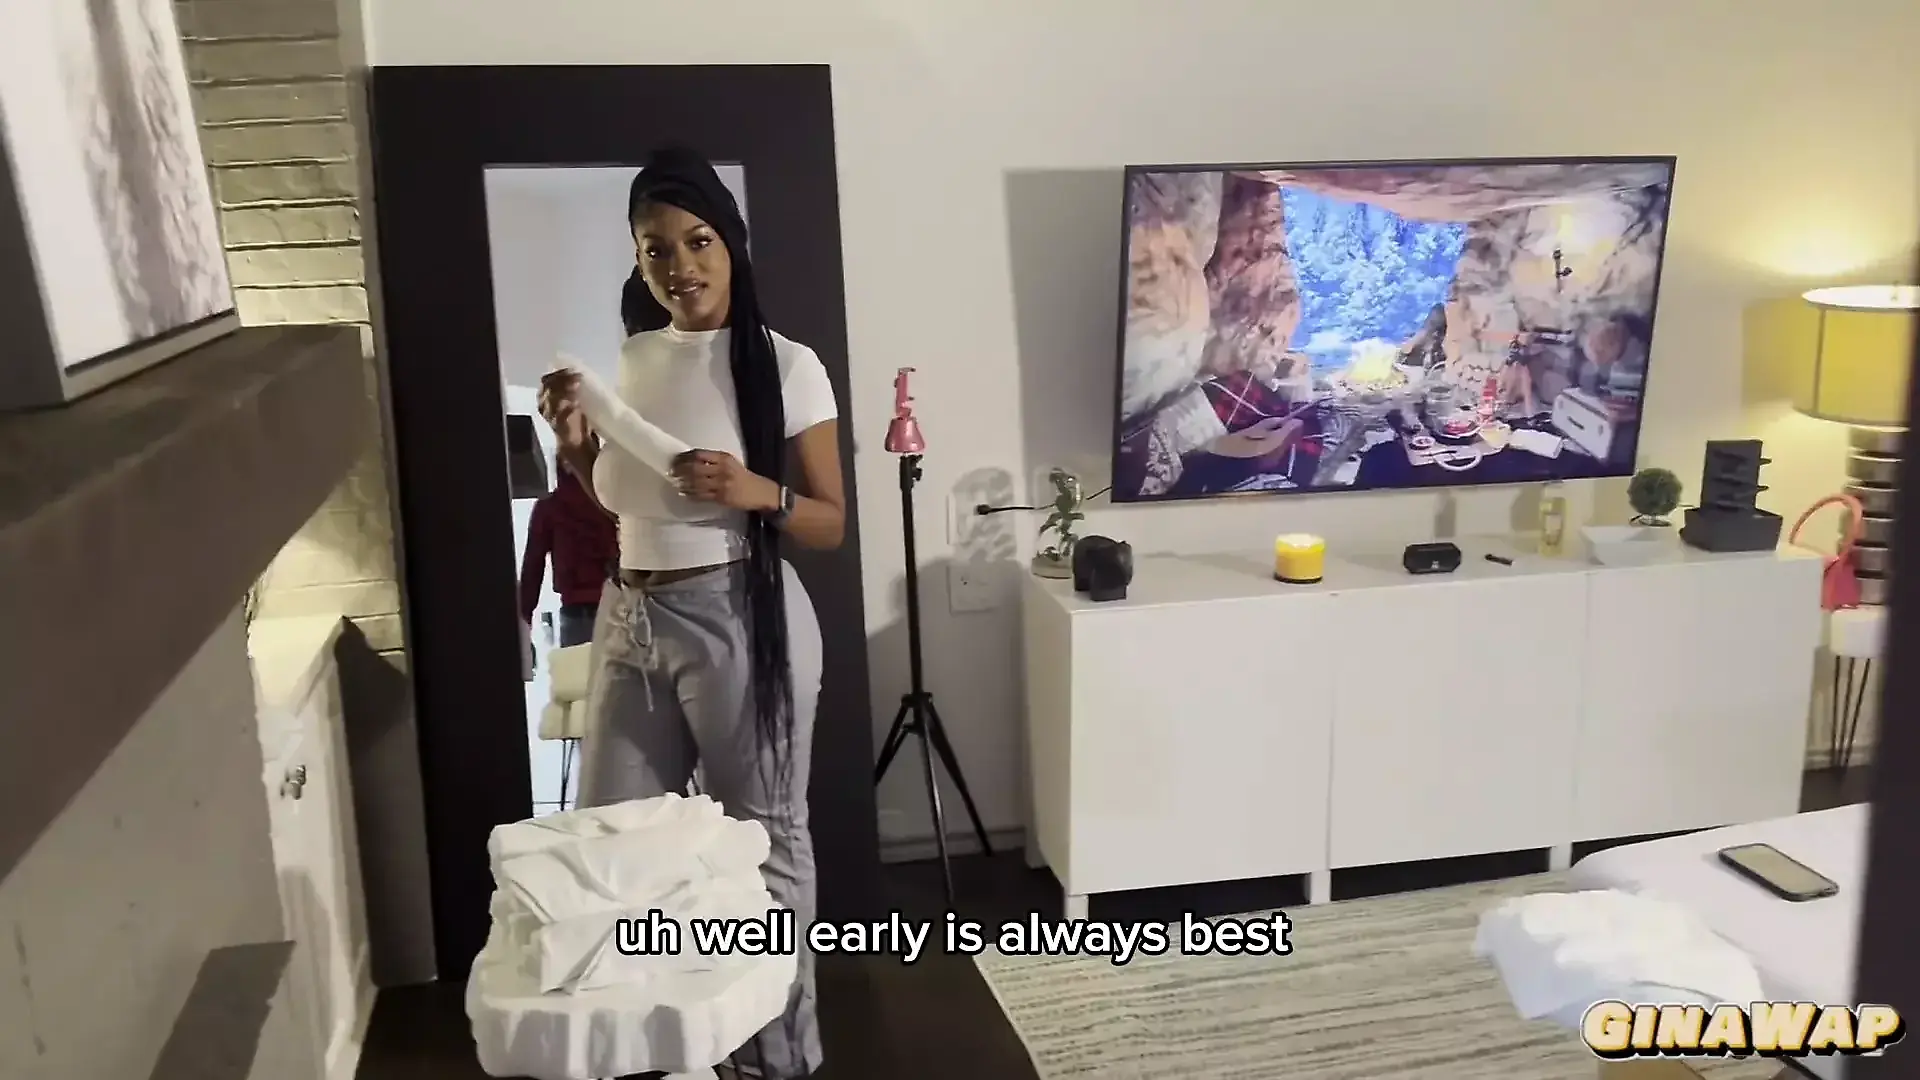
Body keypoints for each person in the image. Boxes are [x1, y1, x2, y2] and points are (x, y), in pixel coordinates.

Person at [539, 146, 845, 1080]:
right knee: (614, 843)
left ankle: (773, 1062)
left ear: (730, 243)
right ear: (639, 261)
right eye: (657, 249)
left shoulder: (787, 366)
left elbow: (830, 523)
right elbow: (624, 501)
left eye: (698, 241)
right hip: (629, 618)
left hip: (737, 614)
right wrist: (575, 445)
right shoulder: (636, 357)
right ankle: (657, 1051)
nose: (680, 265)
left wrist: (757, 490)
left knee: (764, 841)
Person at [516, 451, 618, 647]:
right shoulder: (611, 502)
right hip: (615, 606)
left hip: (580, 612)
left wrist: (524, 615)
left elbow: (533, 564)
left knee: (577, 666)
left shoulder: (549, 507)